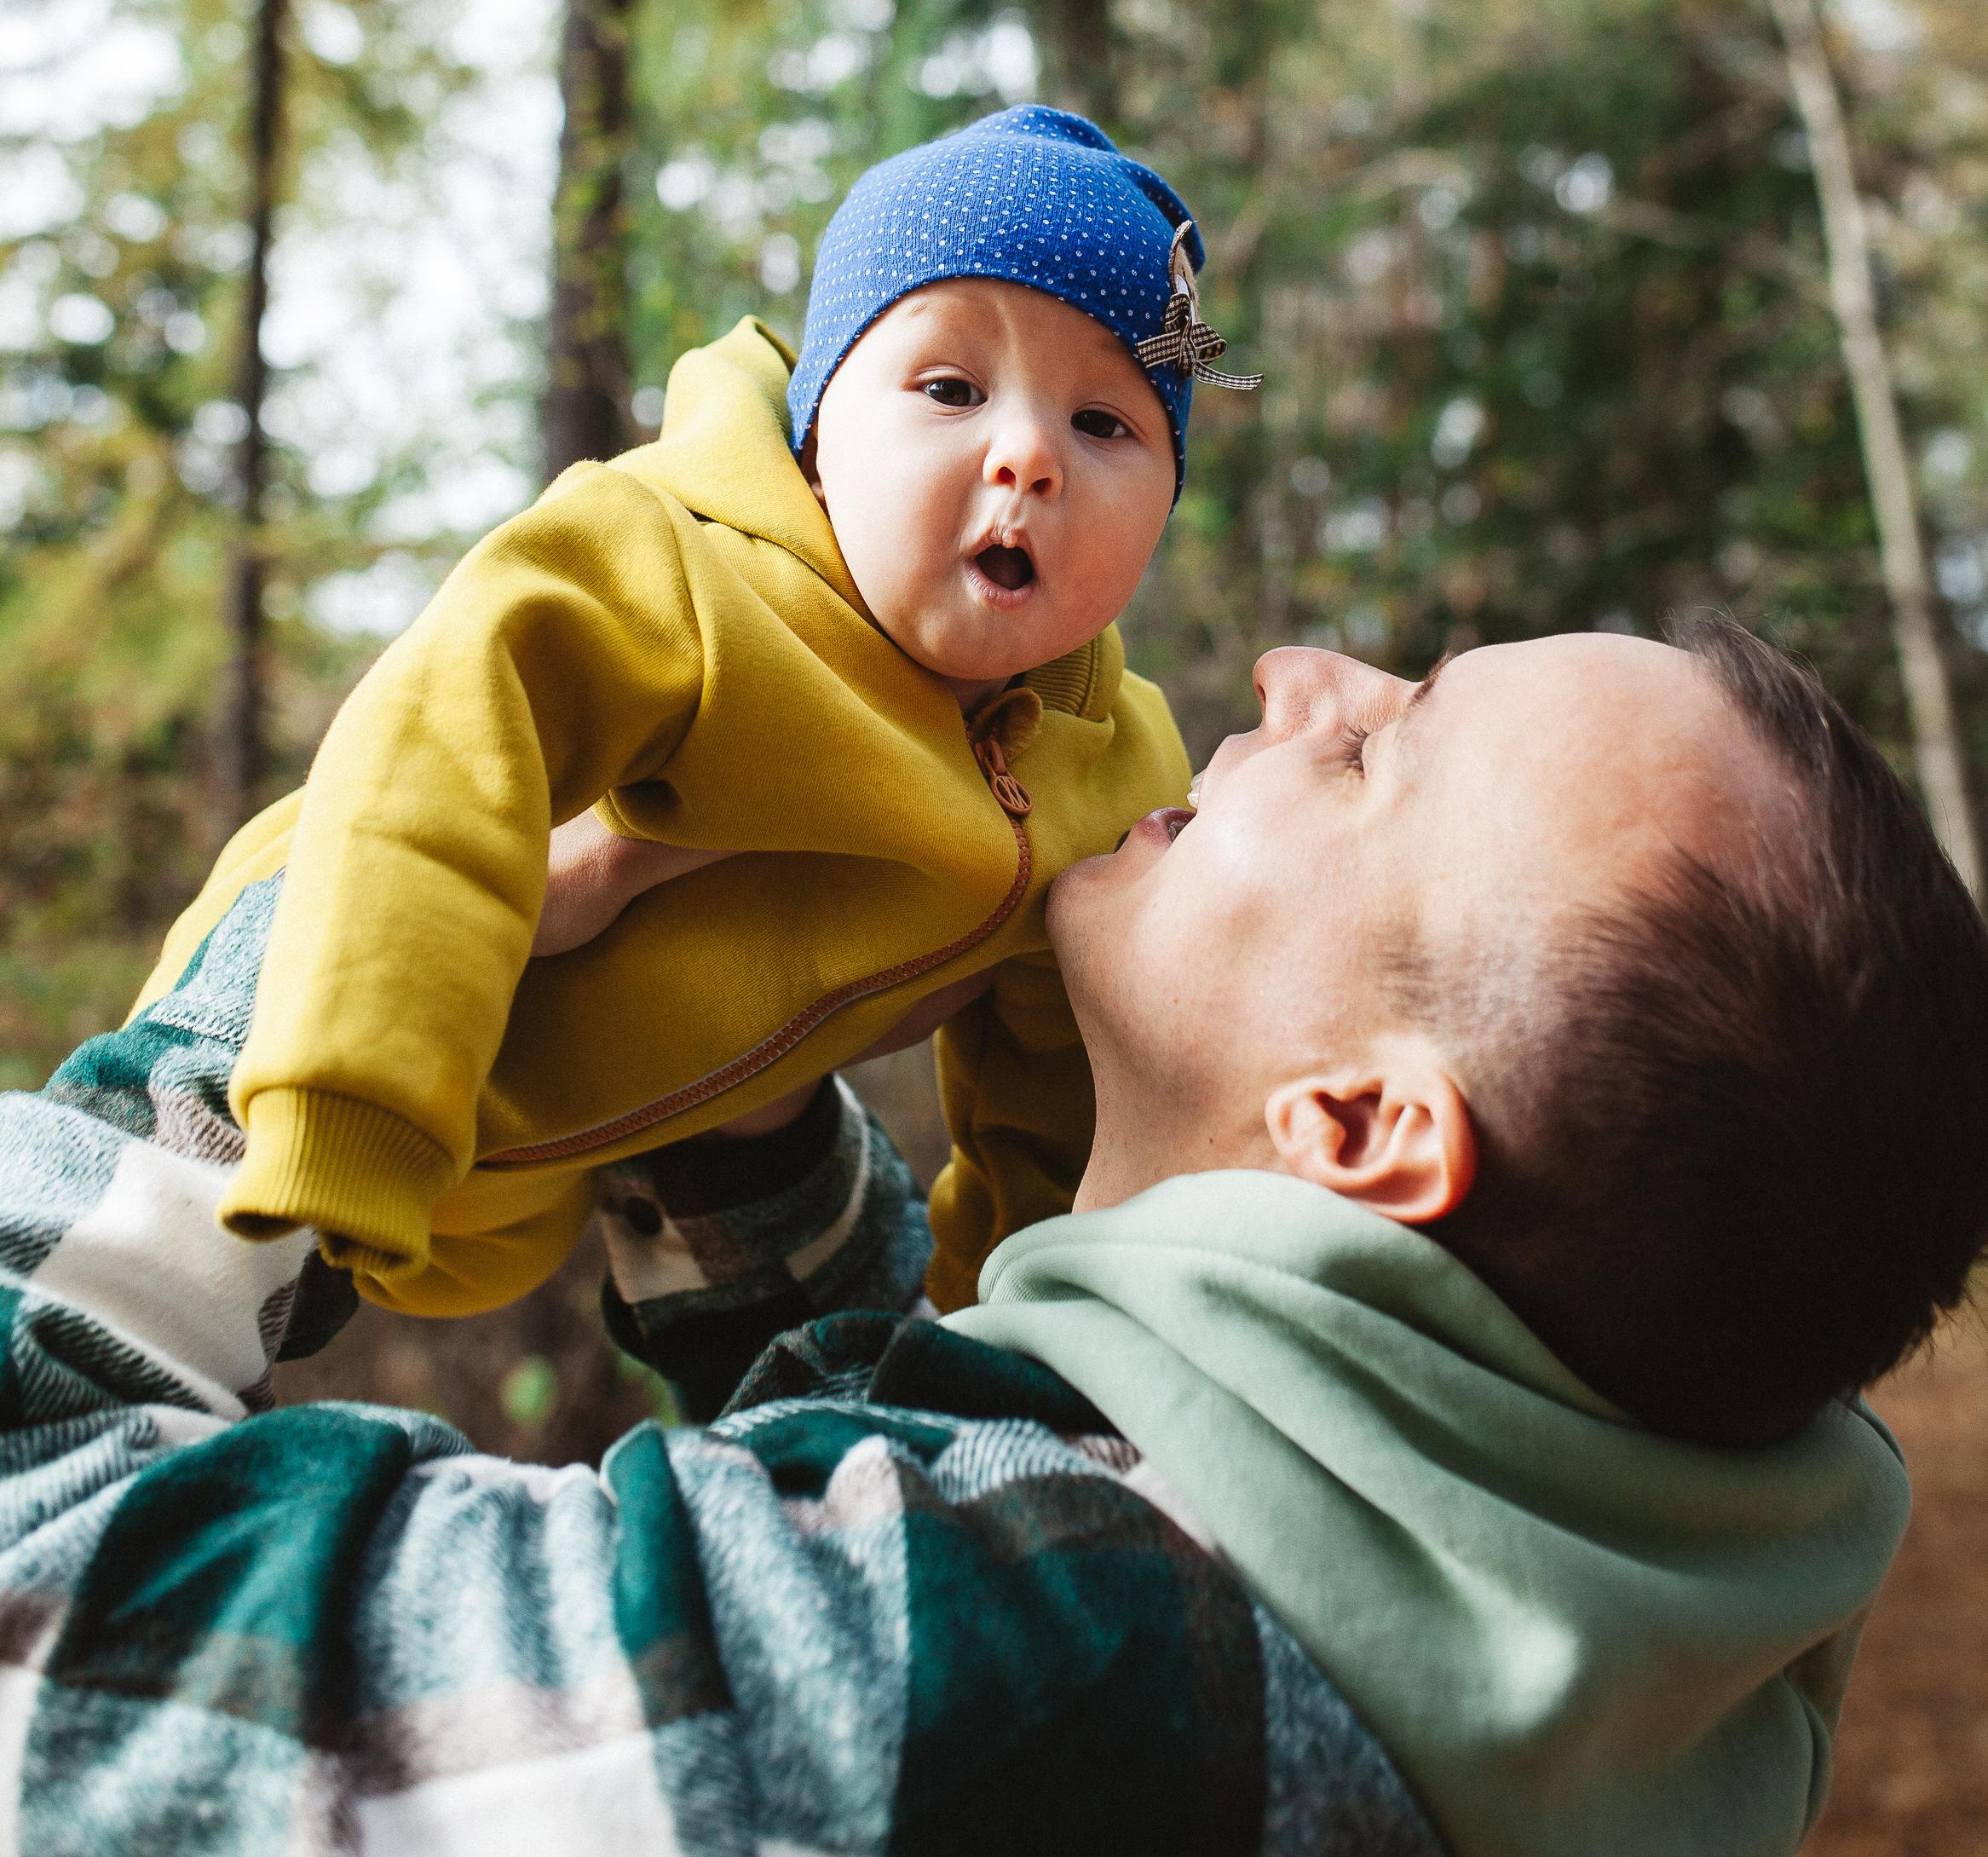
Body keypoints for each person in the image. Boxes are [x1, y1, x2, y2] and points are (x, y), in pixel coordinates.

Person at [6, 613, 1985, 1855]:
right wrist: (745, 1093)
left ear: (1361, 1124)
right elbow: (940, 1488)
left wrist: (347, 954)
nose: (1296, 671)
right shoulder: (1584, 1672)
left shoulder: (1006, 1667)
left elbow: (49, 1624)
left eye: (1376, 749)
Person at [133, 105, 1257, 1322]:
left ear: (1166, 502)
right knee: (106, 1324)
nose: (1027, 455)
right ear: (817, 436)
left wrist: (1009, 1323)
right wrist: (348, 1089)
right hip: (305, 1000)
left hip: (541, 1179)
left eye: (1103, 422)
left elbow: (1061, 1097)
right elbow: (436, 755)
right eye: (950, 388)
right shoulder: (676, 569)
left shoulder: (1120, 771)